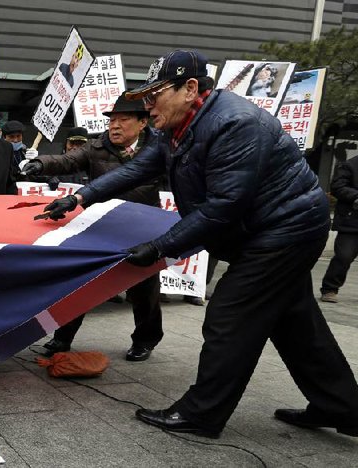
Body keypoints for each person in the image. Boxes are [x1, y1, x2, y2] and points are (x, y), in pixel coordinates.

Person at [39, 49, 358, 438]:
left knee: (229, 315)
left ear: (190, 88)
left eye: (155, 95)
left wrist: (159, 247)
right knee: (296, 323)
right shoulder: (175, 125)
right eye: (145, 96)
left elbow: (222, 206)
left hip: (284, 232)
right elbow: (139, 168)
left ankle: (202, 414)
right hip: (259, 230)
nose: (148, 106)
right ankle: (342, 408)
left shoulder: (236, 124)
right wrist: (80, 198)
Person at [22, 95, 163, 361]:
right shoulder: (96, 146)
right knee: (81, 284)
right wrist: (40, 163)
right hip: (102, 226)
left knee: (144, 291)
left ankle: (146, 340)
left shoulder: (160, 148)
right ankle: (62, 338)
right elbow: (67, 161)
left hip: (142, 231)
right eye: (112, 120)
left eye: (123, 120)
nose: (115, 126)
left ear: (143, 122)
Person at [320, 155, 358, 303]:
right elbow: (337, 187)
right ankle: (329, 288)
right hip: (352, 222)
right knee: (344, 257)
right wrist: (356, 196)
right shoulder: (350, 165)